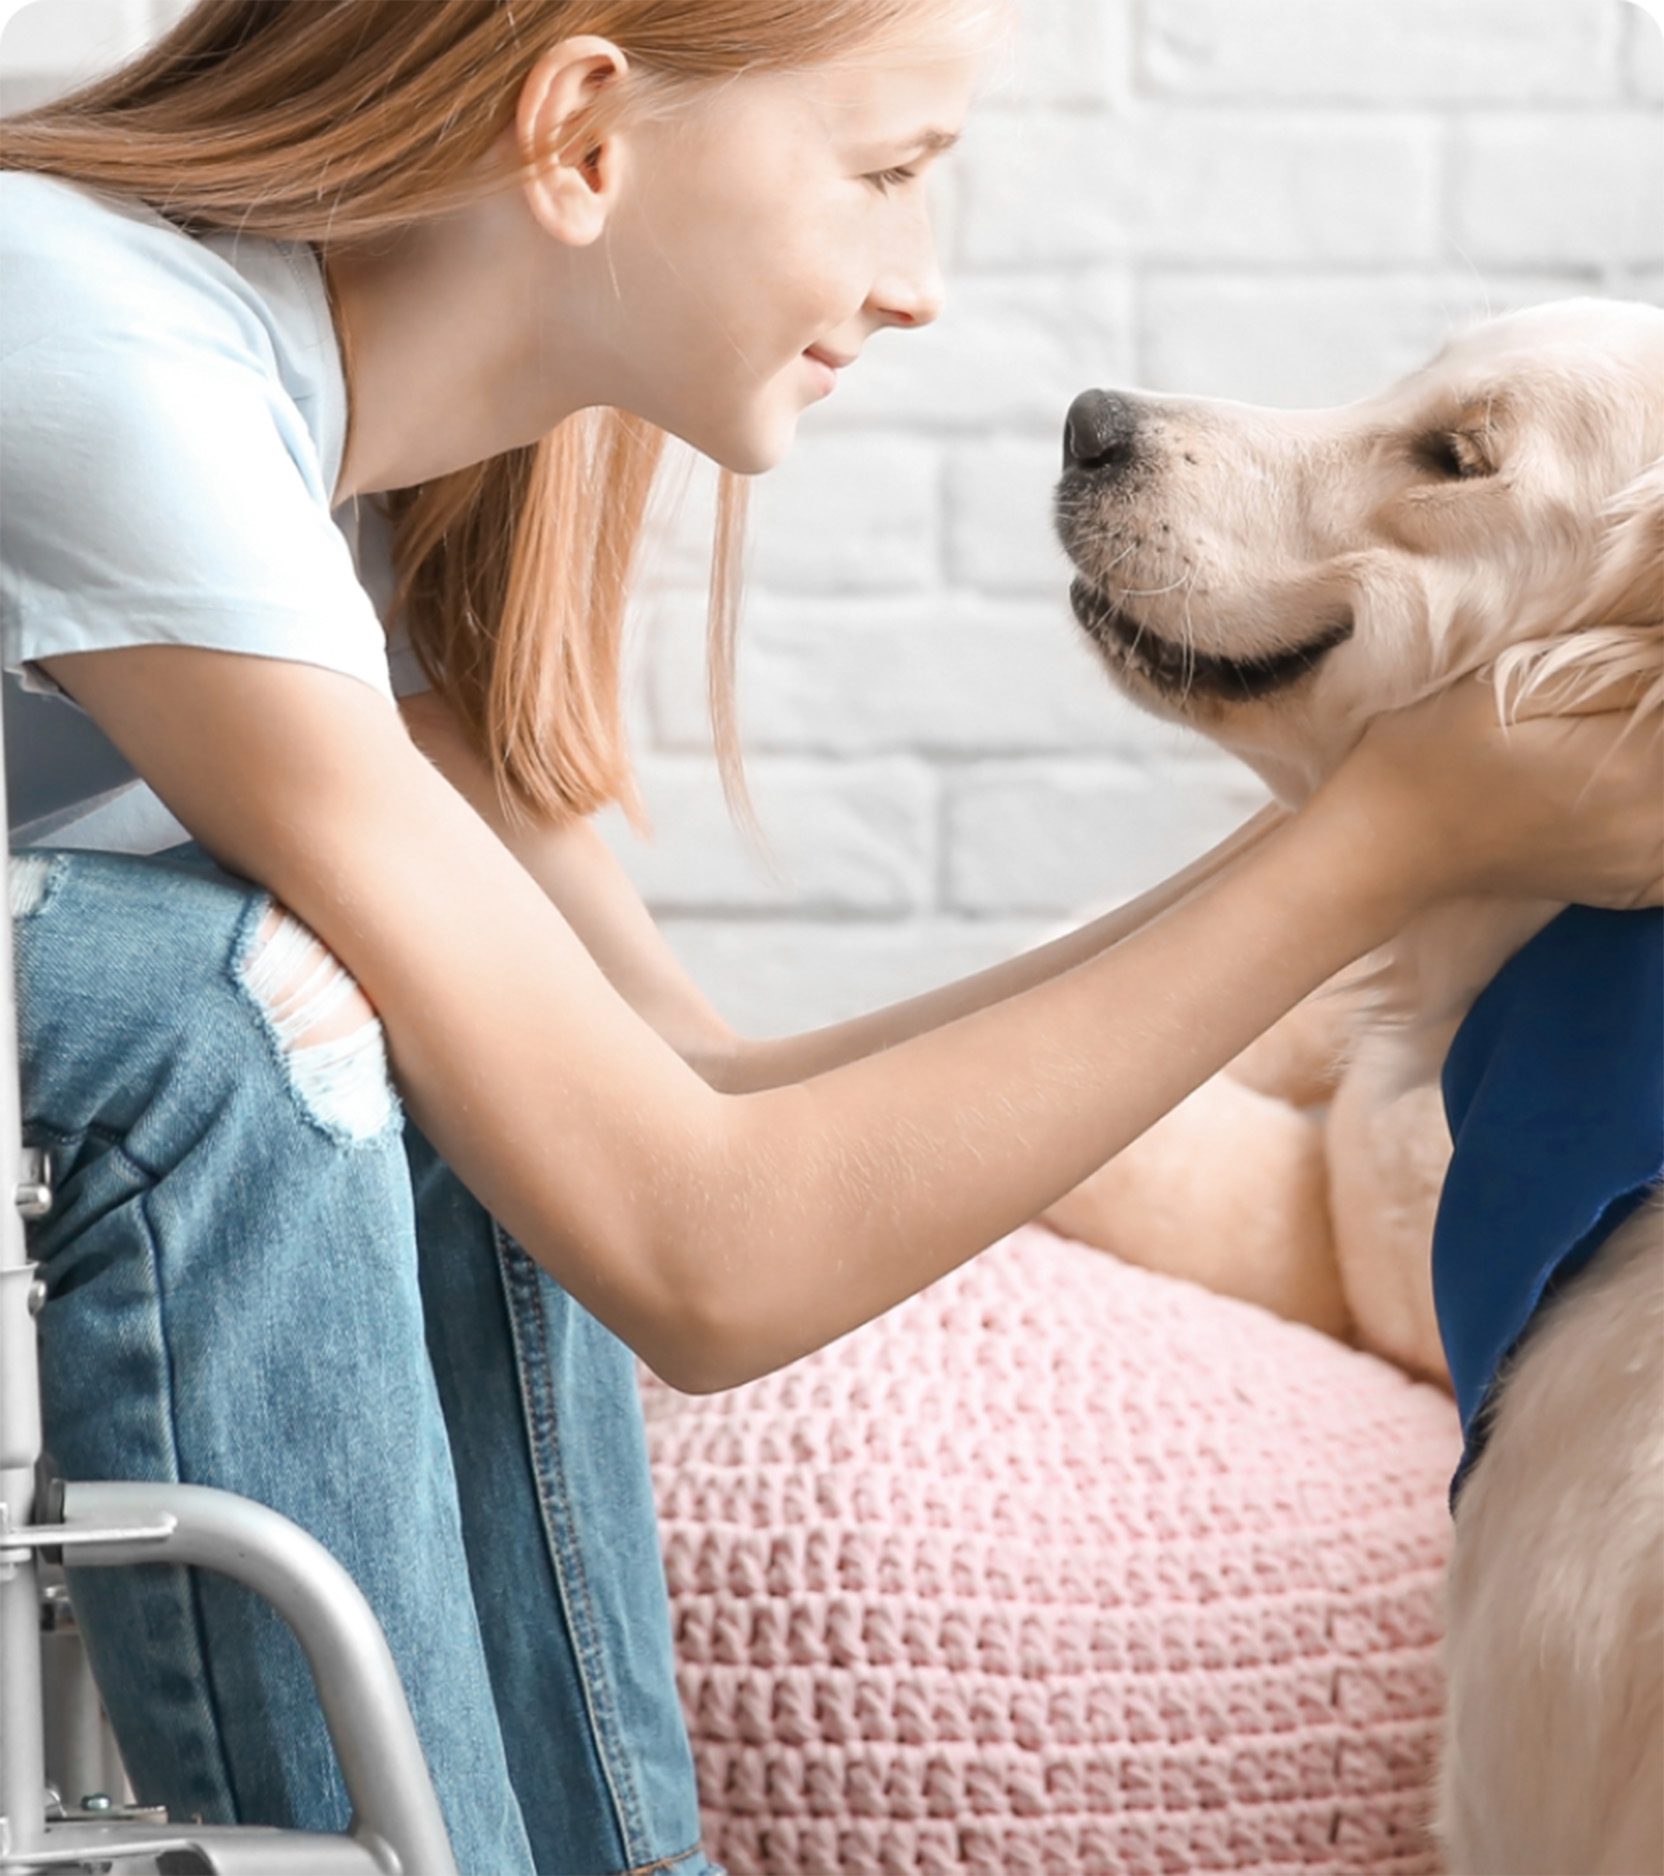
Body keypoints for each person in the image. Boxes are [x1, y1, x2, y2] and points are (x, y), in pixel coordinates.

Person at [1, 3, 1658, 1871]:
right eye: (885, 176)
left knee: (490, 1099)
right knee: (249, 998)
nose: (920, 283)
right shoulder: (94, 353)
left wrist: (1414, 837)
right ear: (583, 136)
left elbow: (668, 1097)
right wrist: (1386, 840)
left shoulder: (352, 487)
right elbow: (700, 1257)